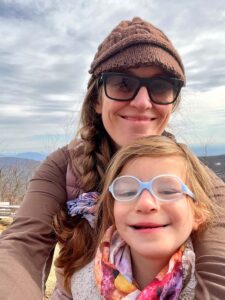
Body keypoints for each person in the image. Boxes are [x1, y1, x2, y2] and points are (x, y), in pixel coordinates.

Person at [0, 17, 224, 300]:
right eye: (122, 83)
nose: (143, 102)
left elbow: (219, 259)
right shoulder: (63, 168)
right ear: (96, 99)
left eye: (160, 86)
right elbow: (19, 249)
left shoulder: (191, 172)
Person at [66, 135, 215, 299]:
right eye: (128, 192)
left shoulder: (212, 284)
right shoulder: (81, 285)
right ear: (113, 211)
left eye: (168, 191)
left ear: (198, 213)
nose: (145, 203)